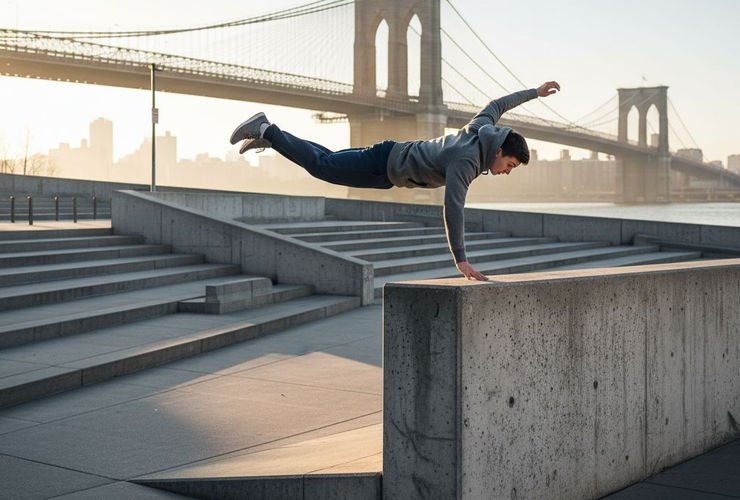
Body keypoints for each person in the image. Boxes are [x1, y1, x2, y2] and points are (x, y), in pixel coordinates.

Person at [230, 81, 561, 281]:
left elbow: (497, 104)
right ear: (500, 150)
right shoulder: (467, 160)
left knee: (327, 162)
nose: (507, 171)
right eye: (510, 164)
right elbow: (453, 208)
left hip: (388, 169)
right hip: (383, 163)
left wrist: (536, 91)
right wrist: (461, 258)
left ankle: (271, 137)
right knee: (324, 167)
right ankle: (267, 130)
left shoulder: (482, 128)